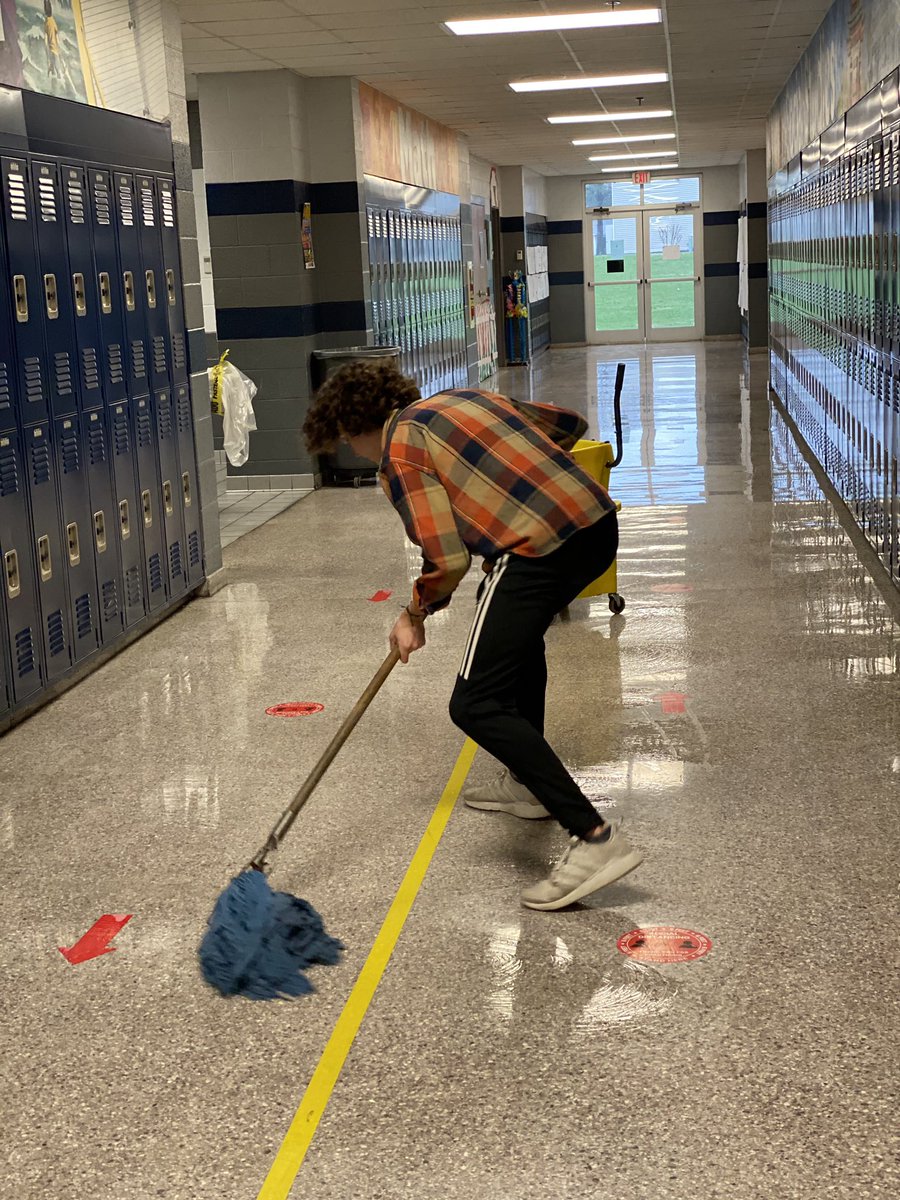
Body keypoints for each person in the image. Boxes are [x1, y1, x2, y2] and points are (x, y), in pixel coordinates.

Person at [303, 361, 643, 910]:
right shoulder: (465, 399)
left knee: (475, 703)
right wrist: (510, 489)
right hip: (596, 528)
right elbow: (567, 424)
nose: (355, 451)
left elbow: (446, 557)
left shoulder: (397, 452)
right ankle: (528, 787)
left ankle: (594, 837)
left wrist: (414, 613)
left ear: (357, 425)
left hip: (540, 552)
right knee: (519, 640)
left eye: (348, 440)